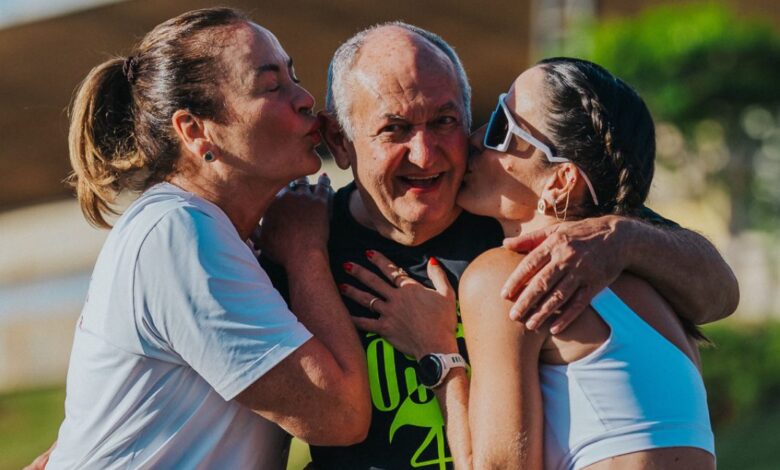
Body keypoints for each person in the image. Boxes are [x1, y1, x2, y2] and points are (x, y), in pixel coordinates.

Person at [261, 22, 737, 469]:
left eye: (447, 121)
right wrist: (304, 255)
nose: (426, 154)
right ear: (340, 143)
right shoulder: (301, 241)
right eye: (396, 128)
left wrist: (624, 235)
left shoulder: (566, 240)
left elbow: (719, 293)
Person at [44, 8, 370, 469]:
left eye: (293, 76)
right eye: (271, 85)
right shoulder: (179, 234)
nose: (305, 98)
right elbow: (340, 414)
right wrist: (304, 252)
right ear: (195, 131)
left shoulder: (219, 233)